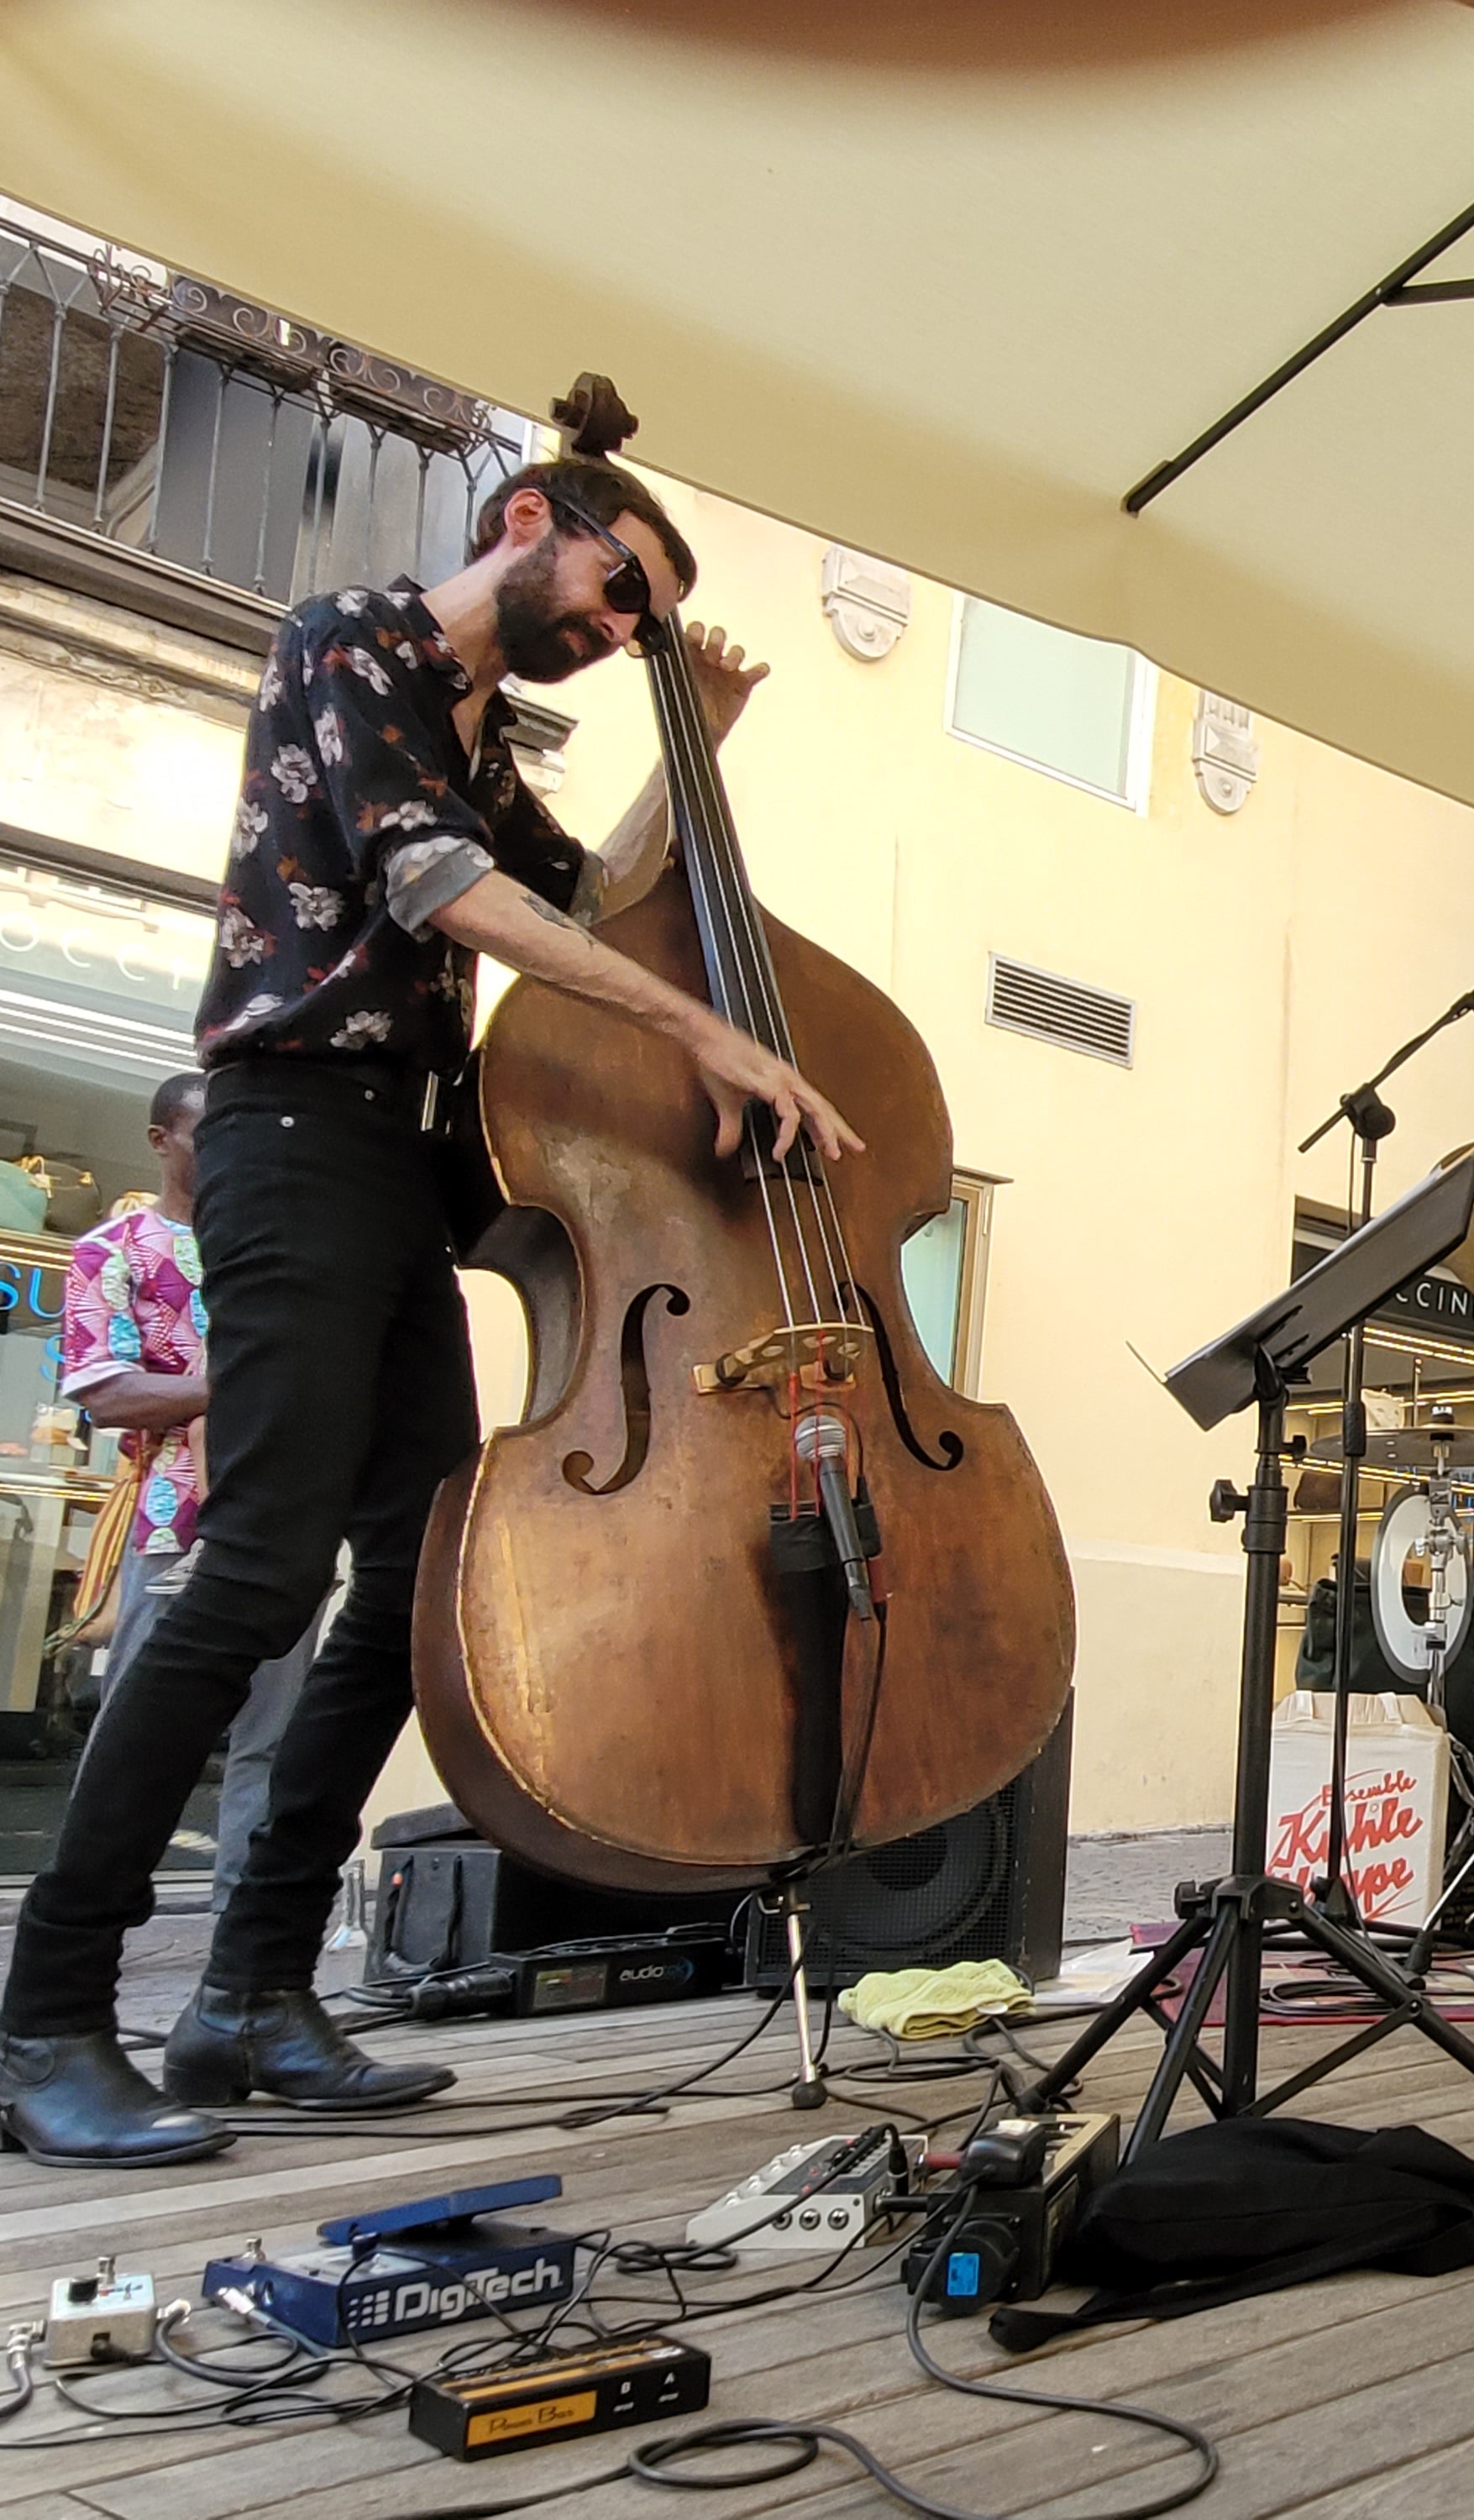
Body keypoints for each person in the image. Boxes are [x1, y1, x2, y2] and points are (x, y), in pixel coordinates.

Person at [0, 456, 862, 2166]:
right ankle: (44, 2018)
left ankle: (251, 1993)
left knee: (416, 1581)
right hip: (293, 1133)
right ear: (530, 520)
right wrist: (705, 1034)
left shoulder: (480, 738)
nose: (622, 634)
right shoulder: (349, 642)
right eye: (623, 593)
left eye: (644, 628)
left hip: (403, 1162)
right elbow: (438, 891)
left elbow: (584, 905)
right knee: (260, 1568)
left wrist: (696, 744)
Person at [60, 1075, 323, 1915]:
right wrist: (242, 1386)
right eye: (212, 1133)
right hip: (174, 1522)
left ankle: (244, 1923)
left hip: (287, 1516)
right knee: (138, 1730)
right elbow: (105, 1392)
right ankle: (88, 1914)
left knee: (272, 1739)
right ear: (161, 1140)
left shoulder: (282, 1248)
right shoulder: (114, 1250)